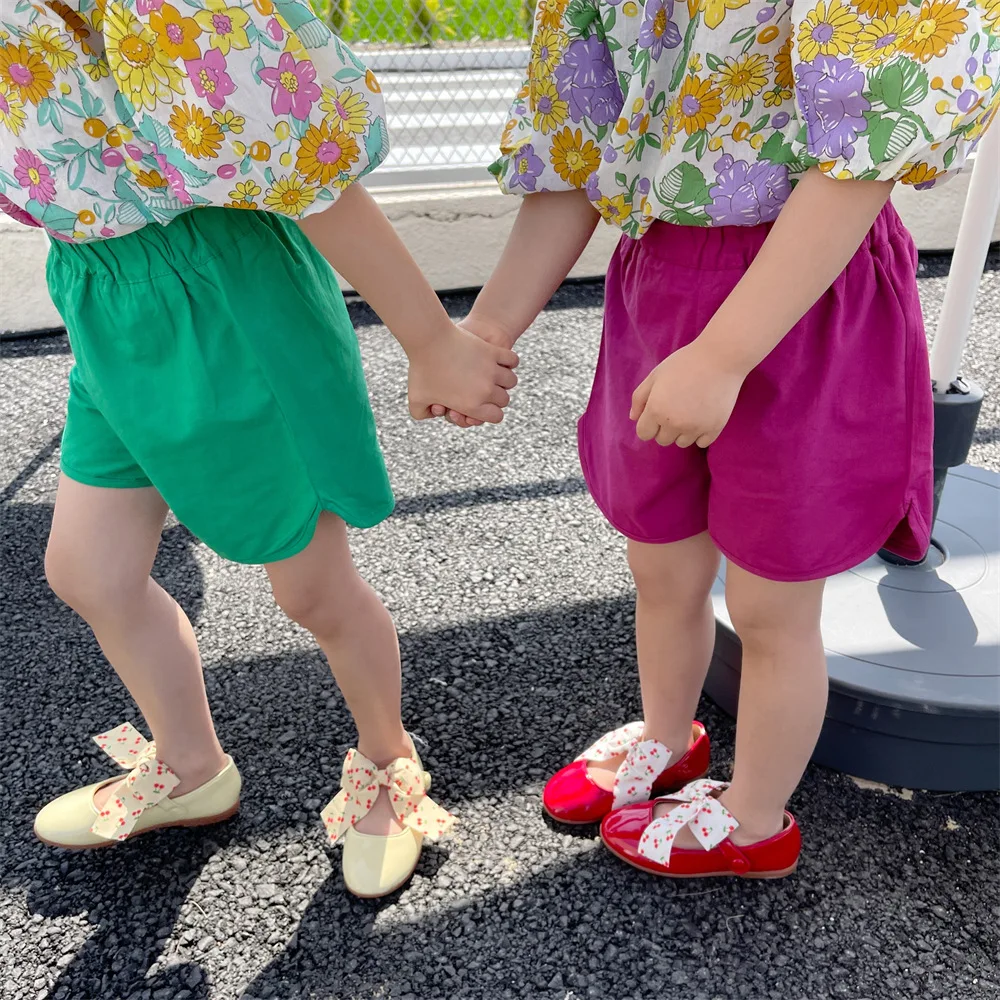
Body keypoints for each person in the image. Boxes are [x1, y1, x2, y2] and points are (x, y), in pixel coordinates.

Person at [436, 0, 1000, 878]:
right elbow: (575, 142)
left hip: (803, 293)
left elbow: (867, 150)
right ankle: (669, 737)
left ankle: (755, 820)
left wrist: (725, 355)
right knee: (660, 561)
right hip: (664, 274)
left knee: (775, 601)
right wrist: (488, 329)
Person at [1, 0, 517, 898]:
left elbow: (292, 155)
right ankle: (191, 766)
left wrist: (431, 339)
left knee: (312, 587)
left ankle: (389, 760)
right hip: (101, 288)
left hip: (224, 290)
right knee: (89, 571)